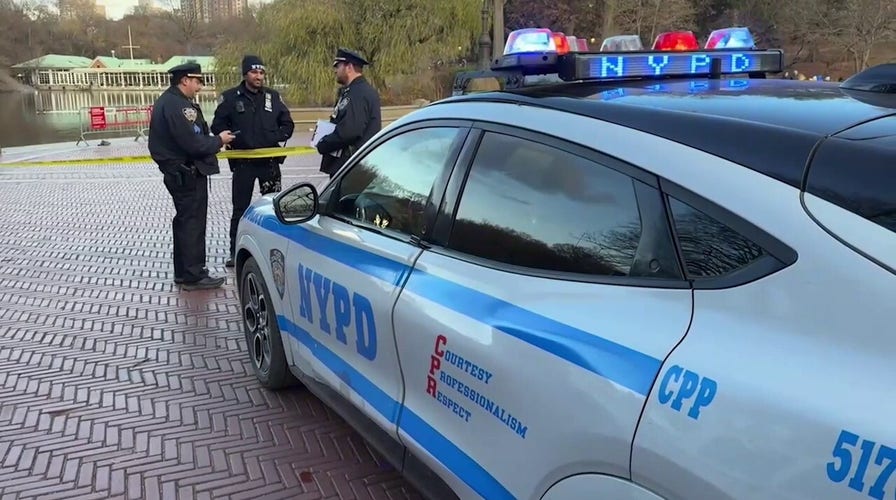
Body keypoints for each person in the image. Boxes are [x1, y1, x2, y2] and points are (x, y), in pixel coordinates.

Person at [148, 62, 235, 290]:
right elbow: (192, 142)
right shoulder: (179, 106)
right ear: (185, 80)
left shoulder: (170, 102)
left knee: (185, 221)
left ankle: (184, 271)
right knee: (192, 223)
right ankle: (193, 275)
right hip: (186, 172)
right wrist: (219, 140)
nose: (199, 87)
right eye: (197, 81)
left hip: (179, 171)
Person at [211, 55, 295, 268]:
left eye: (261, 73)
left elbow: (288, 125)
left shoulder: (273, 97)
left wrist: (274, 136)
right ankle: (234, 250)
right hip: (243, 164)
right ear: (245, 74)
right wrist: (230, 138)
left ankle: (273, 250)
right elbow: (217, 126)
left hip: (269, 163)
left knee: (274, 207)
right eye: (254, 72)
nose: (259, 76)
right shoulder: (230, 98)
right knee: (240, 209)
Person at [315, 48, 382, 178]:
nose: (335, 70)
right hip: (350, 165)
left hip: (351, 166)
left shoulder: (358, 93)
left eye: (338, 66)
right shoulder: (352, 91)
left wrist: (324, 143)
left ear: (349, 67)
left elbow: (350, 131)